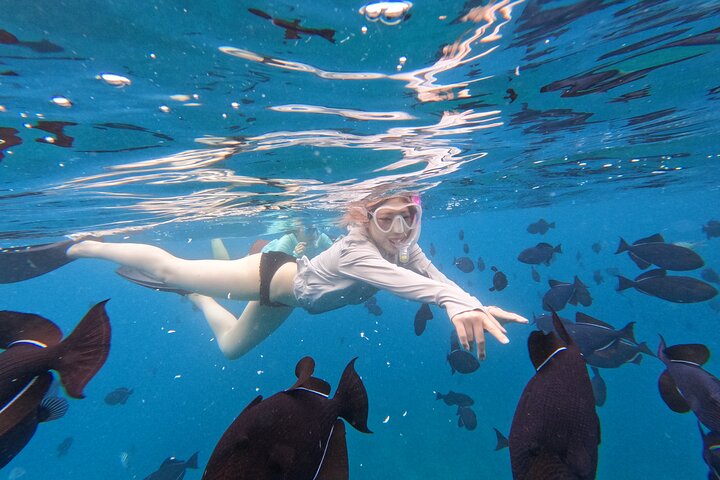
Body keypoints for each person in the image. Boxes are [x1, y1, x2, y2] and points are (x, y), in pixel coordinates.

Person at [0, 192, 528, 359]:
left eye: (406, 218)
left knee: (231, 349)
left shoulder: (404, 249)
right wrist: (453, 302)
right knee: (170, 267)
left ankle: (196, 297)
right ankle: (79, 246)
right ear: (366, 220)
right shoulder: (357, 251)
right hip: (270, 275)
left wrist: (466, 300)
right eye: (385, 218)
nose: (397, 229)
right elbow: (416, 287)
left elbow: (433, 275)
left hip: (290, 301)